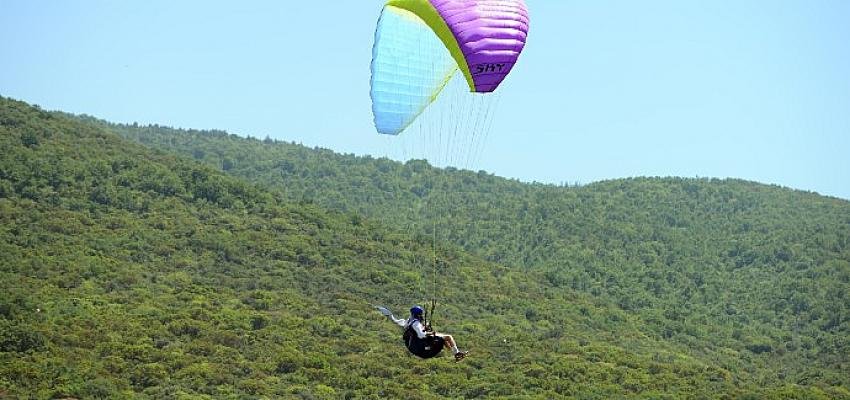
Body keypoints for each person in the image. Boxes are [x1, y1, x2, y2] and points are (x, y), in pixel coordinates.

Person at [379, 305, 468, 361]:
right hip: (423, 350)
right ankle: (456, 353)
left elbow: (396, 321)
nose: (421, 316)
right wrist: (430, 333)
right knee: (448, 337)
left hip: (415, 348)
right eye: (420, 314)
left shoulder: (408, 322)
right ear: (418, 315)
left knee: (442, 338)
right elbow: (421, 335)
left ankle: (455, 354)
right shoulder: (416, 324)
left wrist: (388, 314)